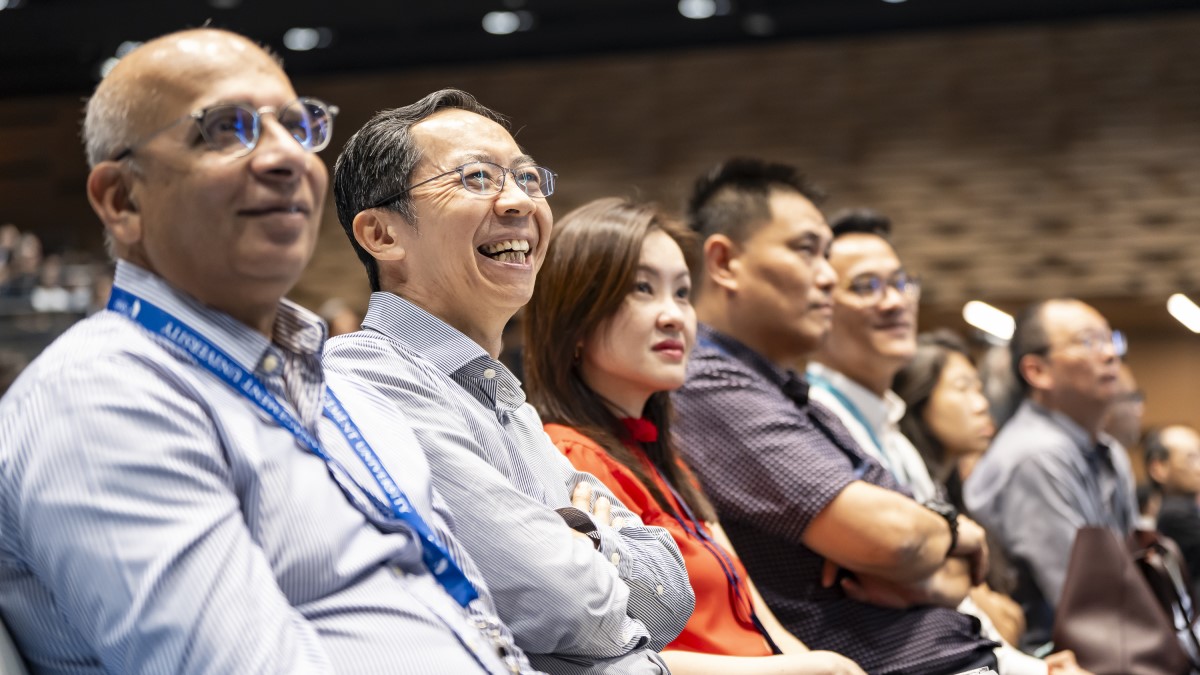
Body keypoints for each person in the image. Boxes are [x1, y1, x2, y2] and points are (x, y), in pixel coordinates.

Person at [0, 29, 533, 674]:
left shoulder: (339, 392)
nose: (287, 157)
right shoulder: (103, 396)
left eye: (297, 125)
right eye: (226, 129)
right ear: (122, 200)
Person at [324, 89, 693, 673]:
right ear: (382, 235)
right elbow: (567, 604)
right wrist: (601, 534)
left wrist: (581, 541)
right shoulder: (372, 380)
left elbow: (673, 596)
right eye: (476, 178)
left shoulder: (503, 396)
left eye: (526, 177)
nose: (519, 201)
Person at [524, 197, 866, 674]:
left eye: (682, 293)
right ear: (575, 320)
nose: (674, 316)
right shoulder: (572, 458)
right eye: (642, 288)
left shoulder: (665, 461)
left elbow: (759, 622)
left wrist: (819, 667)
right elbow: (605, 657)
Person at [965, 299, 1137, 651]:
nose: (1109, 355)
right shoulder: (1036, 456)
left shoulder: (1107, 449)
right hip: (1045, 654)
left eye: (1111, 340)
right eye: (1088, 342)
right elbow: (1087, 606)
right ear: (1037, 371)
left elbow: (1126, 576)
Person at [893, 329, 1025, 646]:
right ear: (917, 398)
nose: (981, 405)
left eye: (980, 389)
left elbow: (1011, 620)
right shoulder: (901, 487)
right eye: (963, 388)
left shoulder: (948, 491)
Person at [805, 208, 937, 502]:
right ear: (819, 301)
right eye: (866, 286)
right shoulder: (811, 416)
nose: (895, 302)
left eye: (900, 282)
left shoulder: (888, 421)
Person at [1145, 425, 1200, 593]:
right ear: (1158, 468)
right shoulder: (1175, 515)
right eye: (1191, 458)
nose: (1199, 468)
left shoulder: (1187, 510)